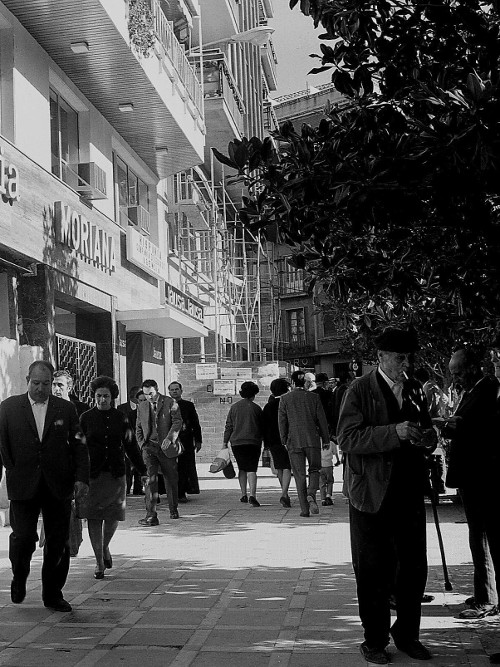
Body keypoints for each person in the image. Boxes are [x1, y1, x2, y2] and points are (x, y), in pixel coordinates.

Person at [338, 328, 437, 664]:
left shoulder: (414, 390)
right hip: (370, 494)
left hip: (408, 490)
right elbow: (348, 438)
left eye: (409, 356)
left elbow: (425, 430)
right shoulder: (360, 389)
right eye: (399, 356)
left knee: (413, 567)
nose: (405, 362)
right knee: (372, 569)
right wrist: (393, 432)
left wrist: (427, 438)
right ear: (380, 356)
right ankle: (374, 639)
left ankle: (407, 634)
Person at [0, 360, 89, 612]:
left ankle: (53, 593)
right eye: (36, 383)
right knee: (23, 537)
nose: (40, 388)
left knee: (58, 542)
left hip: (57, 484)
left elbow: (80, 445)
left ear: (52, 384)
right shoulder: (8, 408)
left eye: (46, 384)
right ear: (27, 379)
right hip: (23, 484)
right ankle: (19, 574)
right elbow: (1, 443)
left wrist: (82, 478)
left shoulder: (65, 409)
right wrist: (12, 468)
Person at [438, 348, 500, 621]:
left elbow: (480, 428)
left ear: (475, 367)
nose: (455, 379)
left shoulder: (488, 389)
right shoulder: (476, 390)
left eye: (458, 373)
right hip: (474, 476)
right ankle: (485, 593)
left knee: (482, 537)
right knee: (478, 536)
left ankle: (486, 599)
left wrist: (456, 426)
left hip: (483, 475)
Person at [79, 376, 147, 579]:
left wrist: (143, 471)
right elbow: (78, 447)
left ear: (113, 397)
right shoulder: (85, 418)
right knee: (93, 516)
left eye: (106, 396)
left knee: (113, 515)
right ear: (94, 396)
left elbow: (130, 445)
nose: (102, 400)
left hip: (116, 473)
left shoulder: (121, 417)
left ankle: (105, 546)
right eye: (98, 396)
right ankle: (99, 561)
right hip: (93, 475)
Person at [278, 370, 330, 517]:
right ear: (306, 382)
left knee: (299, 475)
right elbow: (322, 420)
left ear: (293, 382)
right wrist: (325, 439)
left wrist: (284, 439)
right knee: (314, 469)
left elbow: (282, 422)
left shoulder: (285, 398)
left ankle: (304, 510)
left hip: (293, 440)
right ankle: (311, 493)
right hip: (312, 439)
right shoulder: (314, 397)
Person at [136, 379, 183, 525]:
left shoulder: (170, 402)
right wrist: (142, 443)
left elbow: (177, 422)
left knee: (171, 479)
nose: (149, 397)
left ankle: (173, 508)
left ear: (157, 390)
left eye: (151, 394)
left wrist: (170, 438)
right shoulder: (142, 406)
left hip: (166, 447)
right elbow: (138, 426)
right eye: (146, 394)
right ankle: (151, 513)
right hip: (149, 447)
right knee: (150, 481)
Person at [222, 381, 263, 507]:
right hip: (253, 442)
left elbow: (229, 426)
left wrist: (225, 442)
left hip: (237, 443)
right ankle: (253, 495)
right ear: (254, 394)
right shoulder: (256, 408)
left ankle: (243, 494)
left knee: (242, 468)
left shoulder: (234, 407)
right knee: (252, 469)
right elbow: (261, 427)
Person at [168, 382, 202, 502]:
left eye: (177, 389)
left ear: (181, 391)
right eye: (172, 390)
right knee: (171, 467)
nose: (175, 391)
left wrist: (198, 440)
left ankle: (182, 492)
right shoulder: (165, 405)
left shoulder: (188, 405)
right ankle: (171, 492)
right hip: (170, 440)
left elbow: (195, 423)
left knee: (185, 467)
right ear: (169, 392)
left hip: (186, 440)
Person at [261, 378, 292, 508]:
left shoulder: (268, 406)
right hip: (288, 440)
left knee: (279, 467)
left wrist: (266, 443)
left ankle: (284, 492)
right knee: (287, 467)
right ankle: (284, 493)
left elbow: (264, 426)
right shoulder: (288, 403)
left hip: (273, 441)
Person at [117, 386, 144, 496]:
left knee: (139, 464)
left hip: (140, 441)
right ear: (132, 397)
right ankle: (127, 489)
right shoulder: (121, 408)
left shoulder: (144, 408)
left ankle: (138, 488)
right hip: (127, 440)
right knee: (127, 467)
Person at [314, 372, 341, 465]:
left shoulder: (311, 395)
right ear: (325, 383)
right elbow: (333, 410)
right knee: (328, 445)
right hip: (327, 424)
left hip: (314, 425)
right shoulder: (329, 394)